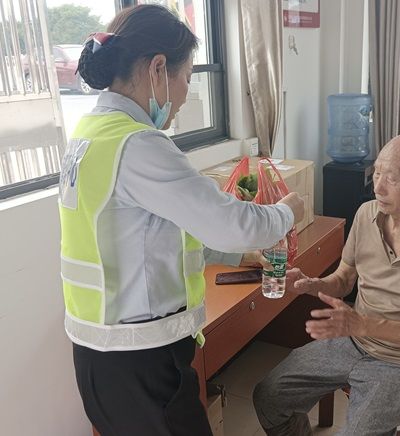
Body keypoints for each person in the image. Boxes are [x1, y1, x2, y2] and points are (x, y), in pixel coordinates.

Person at [58, 5, 304, 436]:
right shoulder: (139, 145)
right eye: (188, 77)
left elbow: (149, 237)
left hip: (100, 356)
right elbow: (233, 223)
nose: (187, 95)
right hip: (142, 362)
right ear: (158, 68)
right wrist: (288, 212)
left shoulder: (90, 133)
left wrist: (239, 256)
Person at [253, 132, 400, 435]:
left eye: (392, 179)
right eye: (377, 173)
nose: (378, 186)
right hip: (353, 341)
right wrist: (311, 284)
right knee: (269, 397)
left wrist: (360, 324)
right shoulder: (366, 214)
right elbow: (343, 280)